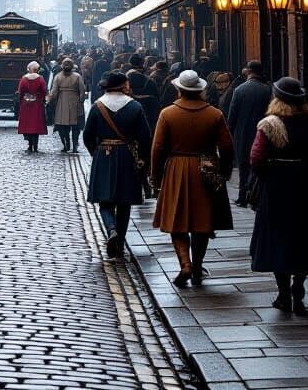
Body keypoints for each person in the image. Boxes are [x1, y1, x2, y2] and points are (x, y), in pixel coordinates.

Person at [249, 77, 308, 315]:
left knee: (278, 239)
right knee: (304, 239)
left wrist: (270, 174)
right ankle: (298, 287)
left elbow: (256, 158)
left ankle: (283, 294)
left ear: (277, 99)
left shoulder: (270, 124)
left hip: (277, 187)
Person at [152, 69, 234, 287]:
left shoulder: (167, 113)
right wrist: (224, 172)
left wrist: (155, 176)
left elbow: (158, 148)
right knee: (202, 222)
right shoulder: (214, 114)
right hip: (205, 170)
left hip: (177, 169)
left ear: (179, 89)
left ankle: (185, 264)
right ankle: (197, 266)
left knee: (177, 222)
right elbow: (227, 147)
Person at [83, 72, 152, 259]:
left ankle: (111, 229)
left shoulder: (98, 106)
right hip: (127, 155)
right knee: (124, 202)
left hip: (104, 154)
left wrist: (96, 153)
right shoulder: (135, 106)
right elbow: (145, 137)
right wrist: (143, 159)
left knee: (104, 201)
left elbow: (87, 135)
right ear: (122, 86)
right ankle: (119, 243)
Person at [227, 60, 272, 207]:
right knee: (258, 166)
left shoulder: (239, 90)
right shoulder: (268, 90)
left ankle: (242, 196)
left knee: (243, 166)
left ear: (249, 71)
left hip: (242, 134)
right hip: (262, 133)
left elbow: (232, 116)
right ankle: (256, 195)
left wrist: (231, 133)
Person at [48, 58, 86, 152]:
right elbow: (82, 90)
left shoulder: (58, 76)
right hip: (75, 102)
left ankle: (66, 144)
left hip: (62, 102)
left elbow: (54, 92)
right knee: (75, 127)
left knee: (62, 125)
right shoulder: (77, 76)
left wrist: (50, 100)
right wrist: (81, 101)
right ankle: (74, 146)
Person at [17, 61, 48, 153]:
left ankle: (30, 145)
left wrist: (21, 100)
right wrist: (42, 99)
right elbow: (44, 90)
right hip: (37, 104)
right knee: (36, 125)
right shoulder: (40, 79)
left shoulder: (24, 79)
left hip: (26, 104)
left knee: (27, 124)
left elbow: (20, 91)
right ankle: (35, 145)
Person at [126, 54, 160, 132]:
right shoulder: (150, 81)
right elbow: (157, 100)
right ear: (142, 65)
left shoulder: (124, 81)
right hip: (149, 117)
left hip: (130, 117)